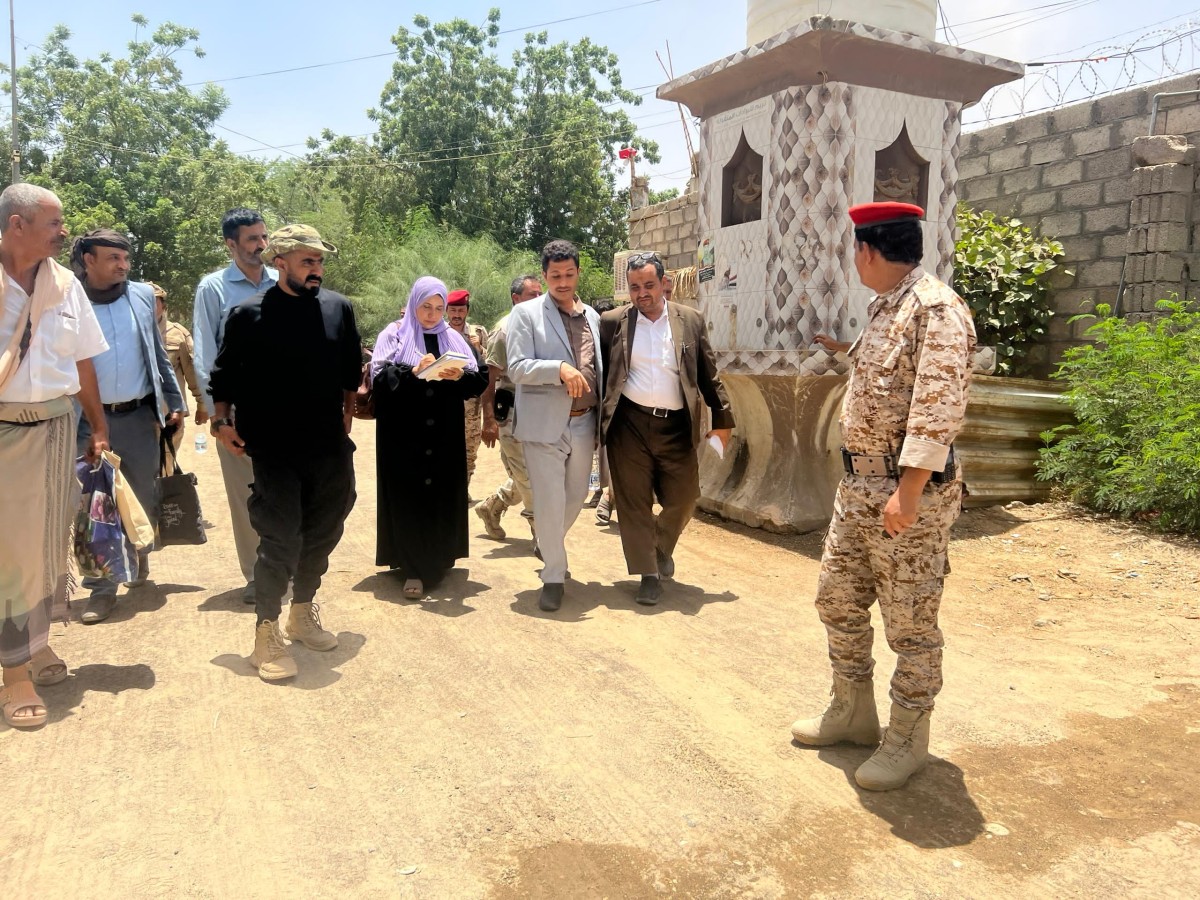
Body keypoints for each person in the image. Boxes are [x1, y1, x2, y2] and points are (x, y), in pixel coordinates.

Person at [789, 202, 976, 791]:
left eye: (855, 251)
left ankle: (907, 737)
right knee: (837, 599)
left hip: (904, 494)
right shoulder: (884, 310)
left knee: (911, 622)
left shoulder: (936, 311)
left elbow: (936, 408)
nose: (854, 261)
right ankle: (853, 710)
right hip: (859, 488)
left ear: (869, 251)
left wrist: (910, 491)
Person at [208, 225, 360, 682]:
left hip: (328, 446)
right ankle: (265, 633)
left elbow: (350, 372)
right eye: (307, 261)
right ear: (280, 262)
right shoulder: (248, 314)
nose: (316, 269)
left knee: (324, 527)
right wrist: (221, 421)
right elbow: (223, 376)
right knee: (280, 537)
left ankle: (301, 611)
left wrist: (347, 419)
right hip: (273, 446)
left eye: (319, 261)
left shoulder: (337, 308)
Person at [0, 184, 110, 727]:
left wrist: (98, 428)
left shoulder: (65, 284)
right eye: (53, 222)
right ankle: (14, 672)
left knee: (47, 546)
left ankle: (36, 643)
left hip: (58, 428)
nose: (63, 231)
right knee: (12, 556)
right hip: (4, 433)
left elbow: (83, 362)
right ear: (16, 225)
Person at [599, 253, 734, 605]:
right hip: (628, 424)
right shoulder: (612, 322)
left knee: (685, 497)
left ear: (663, 283)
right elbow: (603, 378)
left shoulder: (690, 320)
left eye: (648, 285)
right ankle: (647, 574)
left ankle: (660, 545)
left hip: (676, 425)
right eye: (634, 287)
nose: (641, 293)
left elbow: (708, 373)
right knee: (633, 502)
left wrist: (723, 421)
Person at [71, 229, 184, 623]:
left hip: (138, 416)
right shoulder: (68, 298)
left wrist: (175, 401)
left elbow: (156, 353)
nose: (123, 266)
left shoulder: (139, 295)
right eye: (113, 259)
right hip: (85, 421)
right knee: (95, 503)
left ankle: (137, 558)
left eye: (126, 258)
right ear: (88, 260)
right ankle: (101, 590)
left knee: (141, 493)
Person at [370, 277, 488, 598]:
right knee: (408, 498)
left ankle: (437, 560)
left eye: (439, 308)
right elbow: (379, 381)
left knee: (439, 495)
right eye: (426, 306)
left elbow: (479, 380)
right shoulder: (394, 335)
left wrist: (459, 375)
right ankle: (412, 569)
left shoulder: (452, 338)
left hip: (443, 436)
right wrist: (412, 372)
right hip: (403, 436)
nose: (433, 314)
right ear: (413, 304)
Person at [507, 240, 603, 612]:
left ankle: (548, 543)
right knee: (549, 500)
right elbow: (517, 366)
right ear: (545, 275)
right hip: (544, 424)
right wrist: (558, 370)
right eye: (555, 275)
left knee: (576, 496)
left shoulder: (592, 316)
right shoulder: (526, 314)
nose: (562, 282)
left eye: (569, 274)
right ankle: (553, 575)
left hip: (583, 422)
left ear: (578, 272)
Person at [193, 208, 276, 604]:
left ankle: (287, 564)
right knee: (248, 494)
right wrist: (218, 417)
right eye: (252, 239)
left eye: (263, 237)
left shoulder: (283, 281)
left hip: (288, 409)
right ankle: (258, 573)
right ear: (231, 244)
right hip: (239, 411)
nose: (261, 245)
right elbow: (206, 356)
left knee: (287, 489)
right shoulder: (213, 289)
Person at [475, 274, 541, 547]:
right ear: (516, 299)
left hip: (538, 412)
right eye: (532, 295)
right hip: (511, 414)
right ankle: (542, 534)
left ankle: (492, 506)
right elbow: (489, 380)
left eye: (540, 293)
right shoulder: (504, 330)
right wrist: (488, 420)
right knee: (528, 476)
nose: (539, 299)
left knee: (534, 473)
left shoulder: (542, 325)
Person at [151, 282, 204, 452]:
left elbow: (193, 372)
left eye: (154, 302)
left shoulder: (178, 334)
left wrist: (202, 404)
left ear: (163, 305)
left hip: (170, 414)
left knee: (167, 463)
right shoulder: (127, 333)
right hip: (137, 416)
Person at [446, 288, 488, 494]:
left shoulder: (477, 333)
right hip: (446, 399)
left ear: (467, 311)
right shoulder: (439, 332)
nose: (456, 315)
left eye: (460, 310)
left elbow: (488, 366)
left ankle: (464, 487)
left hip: (471, 402)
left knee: (471, 446)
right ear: (446, 311)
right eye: (452, 310)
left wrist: (479, 348)